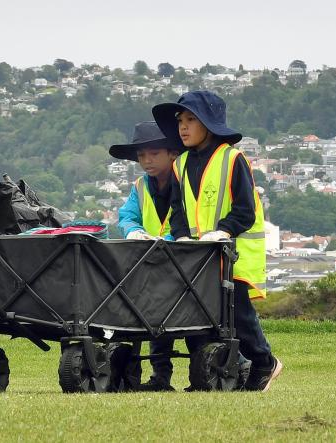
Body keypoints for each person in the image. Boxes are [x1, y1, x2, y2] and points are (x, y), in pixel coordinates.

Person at [152, 91, 282, 392]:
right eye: (180, 121)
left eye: (191, 120)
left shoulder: (233, 159)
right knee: (196, 315)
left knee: (237, 314)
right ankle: (205, 376)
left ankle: (265, 363)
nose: (183, 127)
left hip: (234, 253)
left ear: (208, 124)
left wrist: (223, 230)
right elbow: (177, 210)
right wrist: (183, 235)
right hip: (197, 256)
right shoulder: (180, 164)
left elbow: (245, 210)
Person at [110, 121, 198, 391]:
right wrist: (134, 231)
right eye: (141, 156)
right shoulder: (139, 186)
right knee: (153, 320)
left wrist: (170, 241)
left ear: (172, 153)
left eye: (154, 154)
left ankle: (199, 377)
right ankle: (160, 378)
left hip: (186, 263)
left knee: (195, 324)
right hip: (149, 264)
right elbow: (127, 216)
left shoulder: (188, 181)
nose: (146, 161)